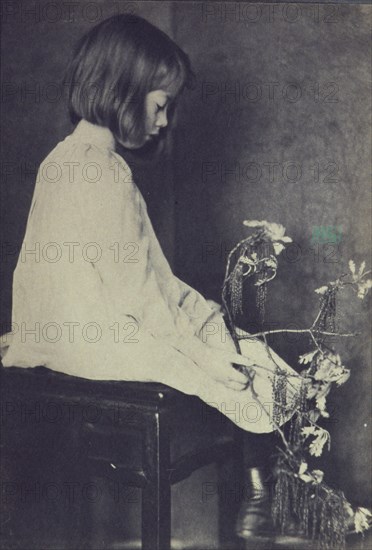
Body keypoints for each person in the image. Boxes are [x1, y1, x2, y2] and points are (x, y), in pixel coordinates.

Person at [1, 14, 303, 541]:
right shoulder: (104, 172)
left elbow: (110, 274)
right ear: (124, 89)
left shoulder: (63, 159)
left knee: (213, 328)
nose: (164, 122)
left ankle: (265, 482)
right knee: (231, 358)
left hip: (55, 329)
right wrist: (200, 346)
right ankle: (264, 489)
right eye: (160, 105)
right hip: (97, 333)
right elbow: (136, 294)